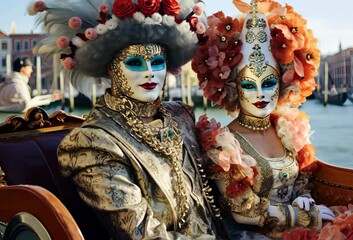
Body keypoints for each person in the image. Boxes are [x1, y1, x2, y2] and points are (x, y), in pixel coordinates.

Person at [192, 0, 353, 239]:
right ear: (232, 87)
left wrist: (303, 198)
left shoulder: (284, 128)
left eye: (269, 83)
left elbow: (300, 179)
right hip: (263, 234)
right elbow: (243, 212)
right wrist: (303, 217)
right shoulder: (223, 143)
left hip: (308, 223)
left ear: (282, 83)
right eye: (249, 85)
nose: (260, 93)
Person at [30, 0, 217, 239]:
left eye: (158, 62)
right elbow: (142, 234)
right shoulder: (93, 141)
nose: (150, 72)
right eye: (135, 63)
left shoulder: (180, 116)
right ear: (111, 69)